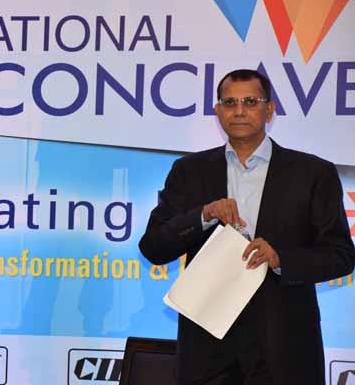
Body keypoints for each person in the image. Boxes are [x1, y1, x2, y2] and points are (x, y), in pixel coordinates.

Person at [139, 69, 354, 384]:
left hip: (284, 345)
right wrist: (203, 215)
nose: (239, 111)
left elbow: (341, 255)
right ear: (218, 111)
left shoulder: (312, 173)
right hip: (207, 348)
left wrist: (281, 259)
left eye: (250, 102)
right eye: (230, 103)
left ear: (269, 109)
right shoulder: (189, 171)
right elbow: (153, 247)